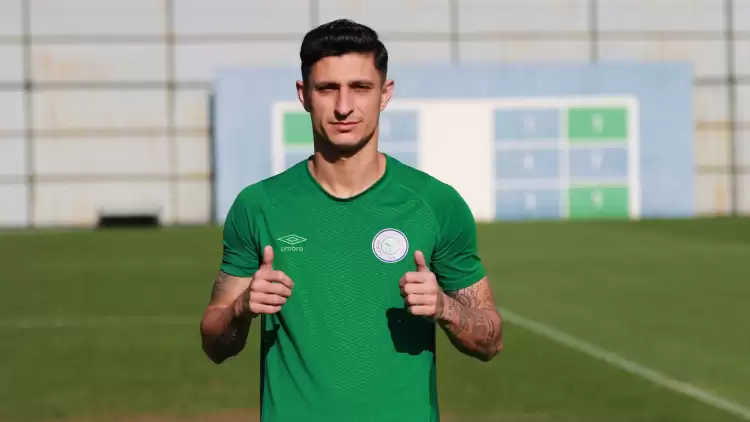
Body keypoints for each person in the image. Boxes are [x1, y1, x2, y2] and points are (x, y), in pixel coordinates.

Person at [199, 18, 504, 422]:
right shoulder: (258, 205)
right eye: (328, 88)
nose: (344, 106)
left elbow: (491, 340)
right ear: (304, 95)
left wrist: (446, 308)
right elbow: (214, 343)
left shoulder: (436, 204)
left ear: (385, 94)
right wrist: (241, 307)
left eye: (360, 87)